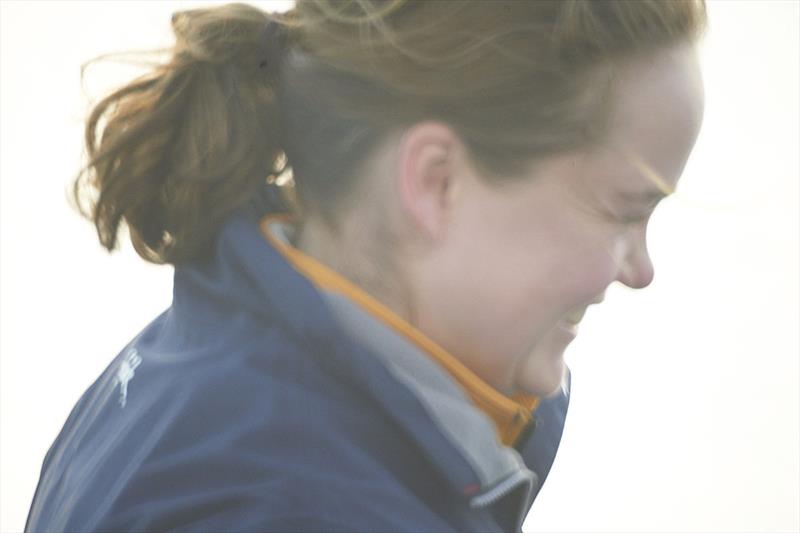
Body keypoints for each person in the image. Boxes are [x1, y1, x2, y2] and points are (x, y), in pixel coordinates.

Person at [26, 1, 707, 531]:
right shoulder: (287, 510)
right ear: (437, 183)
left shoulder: (202, 351)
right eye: (623, 210)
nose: (640, 268)